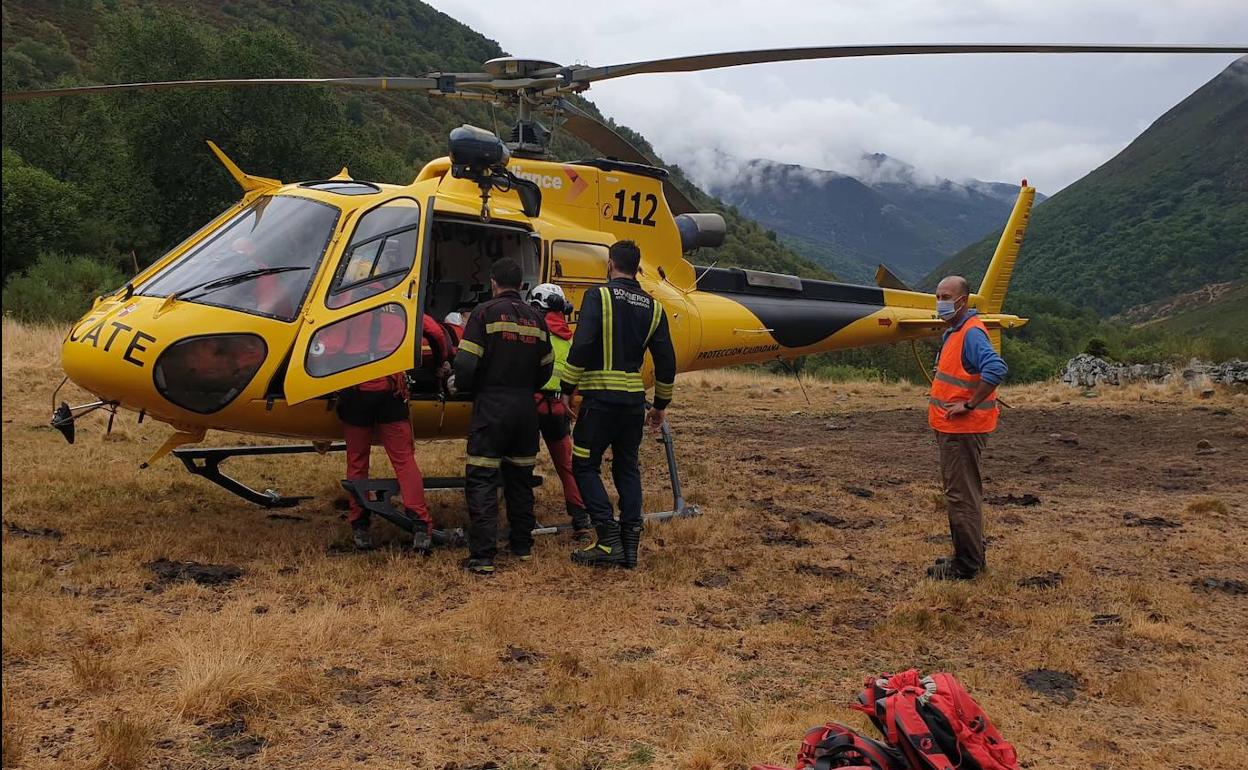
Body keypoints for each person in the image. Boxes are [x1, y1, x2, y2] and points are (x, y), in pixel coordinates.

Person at [560, 240, 676, 570]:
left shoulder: (599, 296)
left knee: (584, 465)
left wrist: (567, 387)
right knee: (627, 467)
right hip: (631, 405)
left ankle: (607, 539)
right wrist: (661, 405)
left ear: (610, 265)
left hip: (599, 402)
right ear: (638, 268)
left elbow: (581, 345)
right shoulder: (654, 307)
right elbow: (666, 363)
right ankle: (630, 547)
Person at [452, 258, 553, 575]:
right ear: (521, 285)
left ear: (493, 282)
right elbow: (546, 368)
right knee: (520, 480)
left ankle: (482, 557)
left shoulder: (483, 313)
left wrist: (465, 387)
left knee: (482, 480)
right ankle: (522, 546)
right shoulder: (537, 319)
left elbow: (466, 364)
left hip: (492, 406)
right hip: (525, 409)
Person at [926, 275, 1008, 581]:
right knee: (960, 493)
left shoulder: (971, 333)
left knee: (962, 495)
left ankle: (968, 565)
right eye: (938, 296)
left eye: (946, 296)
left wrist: (969, 404)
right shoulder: (956, 331)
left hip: (963, 429)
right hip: (952, 429)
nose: (941, 302)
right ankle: (968, 556)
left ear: (963, 300)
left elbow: (996, 368)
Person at [526, 283, 591, 537]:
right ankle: (581, 519)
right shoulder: (569, 337)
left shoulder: (535, 332)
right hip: (558, 408)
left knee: (522, 463)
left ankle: (524, 518)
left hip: (532, 404)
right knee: (567, 464)